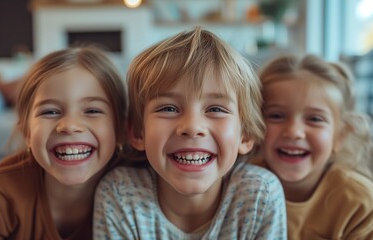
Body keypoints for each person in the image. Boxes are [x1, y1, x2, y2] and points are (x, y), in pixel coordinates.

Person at [93, 27, 287, 239]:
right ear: (138, 132)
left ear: (246, 135)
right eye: (168, 108)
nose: (192, 127)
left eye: (215, 109)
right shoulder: (121, 193)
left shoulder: (260, 194)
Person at [0, 46, 127, 239]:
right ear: (27, 132)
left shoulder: (140, 188)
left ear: (122, 129)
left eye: (92, 111)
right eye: (50, 112)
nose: (70, 126)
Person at [254, 54, 373, 239]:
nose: (294, 132)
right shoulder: (240, 185)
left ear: (340, 136)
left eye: (315, 119)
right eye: (276, 116)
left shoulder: (358, 200)